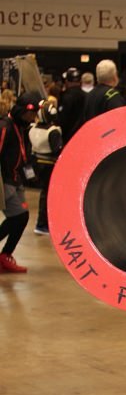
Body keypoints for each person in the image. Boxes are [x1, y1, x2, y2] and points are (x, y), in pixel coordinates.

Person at [0, 91, 40, 272]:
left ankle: (5, 255)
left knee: (21, 218)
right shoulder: (5, 127)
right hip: (5, 182)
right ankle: (5, 254)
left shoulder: (24, 129)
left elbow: (24, 155)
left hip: (17, 181)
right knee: (19, 216)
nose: (33, 116)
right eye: (30, 112)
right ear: (21, 110)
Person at [28, 98, 62, 236]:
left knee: (45, 194)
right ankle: (42, 224)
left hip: (36, 163)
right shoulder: (53, 131)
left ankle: (44, 223)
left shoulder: (32, 128)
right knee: (47, 195)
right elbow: (57, 150)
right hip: (49, 165)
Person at [58, 67, 85, 145]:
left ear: (66, 81)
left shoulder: (66, 97)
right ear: (80, 82)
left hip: (68, 138)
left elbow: (62, 120)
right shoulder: (86, 95)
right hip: (82, 136)